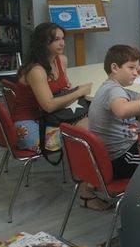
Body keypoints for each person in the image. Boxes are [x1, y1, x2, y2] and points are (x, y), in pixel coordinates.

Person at [87, 45, 140, 209]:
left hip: (115, 155)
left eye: (137, 68)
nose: (135, 72)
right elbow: (122, 110)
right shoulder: (114, 91)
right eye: (131, 68)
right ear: (114, 67)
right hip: (121, 158)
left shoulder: (112, 87)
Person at [13, 22, 92, 152]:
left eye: (62, 38)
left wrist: (71, 90)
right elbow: (48, 106)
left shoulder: (61, 60)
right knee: (89, 129)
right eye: (56, 40)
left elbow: (64, 89)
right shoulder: (36, 70)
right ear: (43, 43)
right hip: (30, 126)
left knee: (95, 123)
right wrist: (79, 92)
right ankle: (85, 169)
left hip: (49, 119)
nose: (63, 43)